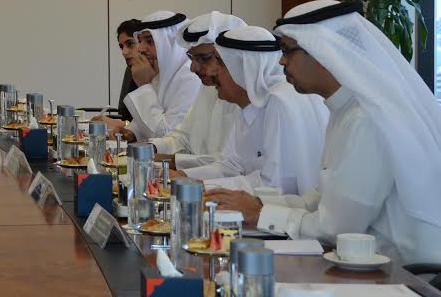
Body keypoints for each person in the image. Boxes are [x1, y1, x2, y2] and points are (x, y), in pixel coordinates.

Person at [206, 0, 441, 264]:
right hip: (363, 264)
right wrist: (257, 204)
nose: (281, 60)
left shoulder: (366, 119)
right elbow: (322, 199)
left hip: (405, 275)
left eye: (288, 51)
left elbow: (336, 227)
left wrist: (261, 214)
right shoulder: (344, 109)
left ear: (323, 51)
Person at [177, 26, 328, 196]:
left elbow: (275, 186)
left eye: (220, 63)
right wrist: (183, 178)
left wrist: (198, 186)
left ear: (244, 69)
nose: (212, 71)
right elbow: (231, 166)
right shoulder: (250, 104)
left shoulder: (279, 101)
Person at [151, 11, 245, 169]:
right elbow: (184, 137)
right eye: (192, 57)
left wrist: (173, 162)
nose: (193, 68)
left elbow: (231, 164)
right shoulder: (208, 87)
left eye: (204, 58)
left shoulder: (250, 97)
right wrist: (151, 148)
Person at [101, 11, 201, 140]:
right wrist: (132, 132)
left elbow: (167, 136)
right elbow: (150, 121)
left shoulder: (191, 77)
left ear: (171, 43)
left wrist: (144, 86)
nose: (141, 49)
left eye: (149, 41)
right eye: (140, 41)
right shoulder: (162, 72)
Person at [113, 19, 141, 122]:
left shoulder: (157, 73)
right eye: (121, 47)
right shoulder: (130, 69)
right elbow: (124, 114)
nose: (124, 52)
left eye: (130, 44)